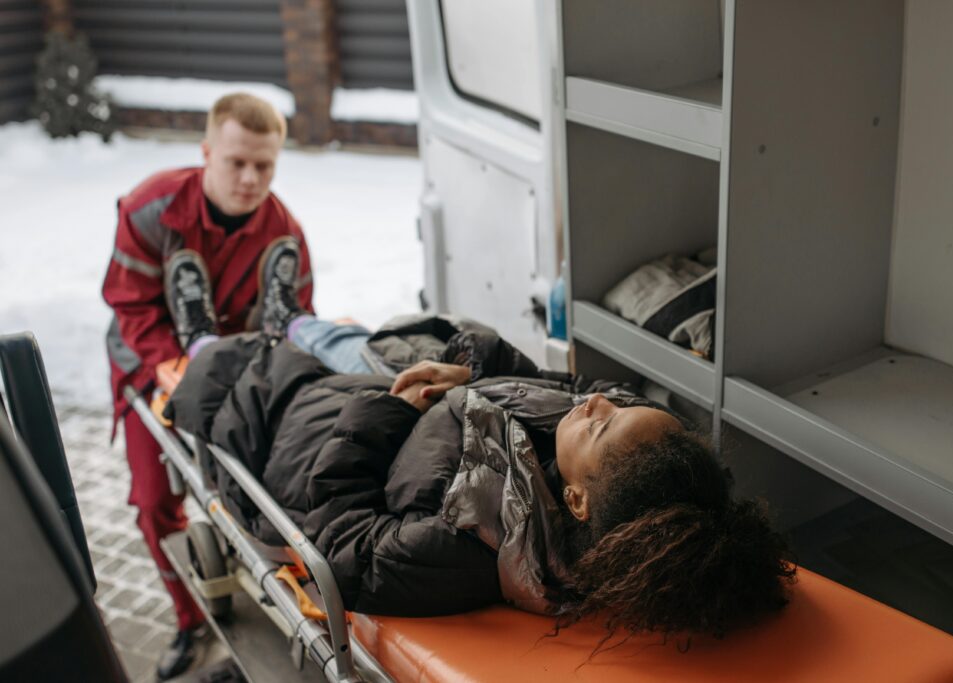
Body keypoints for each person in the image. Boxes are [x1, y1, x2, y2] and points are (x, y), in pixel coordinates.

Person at [162, 258, 796, 642]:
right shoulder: (603, 455)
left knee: (246, 371)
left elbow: (345, 547)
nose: (599, 403)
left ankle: (203, 340)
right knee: (348, 341)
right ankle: (292, 318)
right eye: (621, 407)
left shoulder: (474, 539)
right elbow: (574, 387)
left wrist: (386, 412)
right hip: (403, 392)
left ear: (576, 502)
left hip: (325, 434)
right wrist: (471, 373)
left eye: (603, 424)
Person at [101, 93, 314, 680]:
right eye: (236, 162)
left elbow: (297, 317)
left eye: (264, 166)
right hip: (149, 363)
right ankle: (189, 620)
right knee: (154, 503)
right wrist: (181, 368)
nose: (250, 179)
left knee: (257, 490)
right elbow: (130, 306)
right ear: (206, 153)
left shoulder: (285, 234)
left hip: (239, 375)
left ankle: (271, 604)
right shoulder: (150, 209)